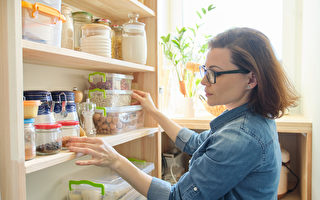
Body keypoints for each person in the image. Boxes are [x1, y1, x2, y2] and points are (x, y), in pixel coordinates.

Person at [67, 27, 298, 200]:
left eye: (214, 73)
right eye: (205, 70)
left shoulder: (240, 136)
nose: (203, 80)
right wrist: (155, 113)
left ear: (251, 79)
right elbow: (197, 143)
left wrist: (116, 160)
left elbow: (176, 197)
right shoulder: (246, 119)